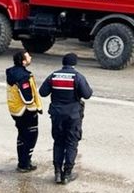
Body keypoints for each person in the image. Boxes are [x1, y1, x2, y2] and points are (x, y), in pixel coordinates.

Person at [39, 53, 93, 184]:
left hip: (57, 115)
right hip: (73, 115)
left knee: (58, 142)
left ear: (63, 63)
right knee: (71, 143)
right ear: (74, 63)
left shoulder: (54, 75)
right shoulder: (77, 77)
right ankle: (67, 174)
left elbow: (42, 92)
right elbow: (87, 94)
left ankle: (57, 173)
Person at [6, 50, 43, 173]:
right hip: (26, 111)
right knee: (31, 136)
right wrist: (34, 106)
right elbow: (27, 98)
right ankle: (25, 163)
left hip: (15, 110)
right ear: (23, 61)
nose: (30, 57)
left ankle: (22, 161)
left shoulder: (12, 72)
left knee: (21, 135)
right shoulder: (23, 76)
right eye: (28, 57)